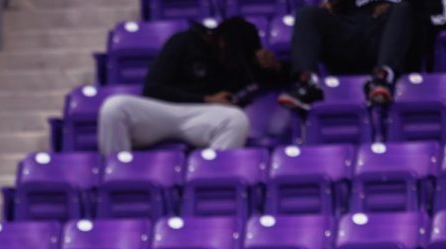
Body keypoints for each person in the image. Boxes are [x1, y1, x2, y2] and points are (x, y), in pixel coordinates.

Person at [97, 18, 280, 155]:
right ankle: (117, 173)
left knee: (237, 120)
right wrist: (206, 99)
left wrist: (275, 67)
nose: (233, 60)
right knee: (114, 106)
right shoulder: (183, 42)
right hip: (163, 111)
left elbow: (281, 79)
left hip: (200, 118)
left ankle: (211, 182)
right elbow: (153, 90)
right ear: (221, 41)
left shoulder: (240, 61)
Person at [279, 0, 418, 110]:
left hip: (382, 36)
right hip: (347, 34)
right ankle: (307, 84)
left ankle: (383, 79)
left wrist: (390, 4)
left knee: (402, 9)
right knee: (307, 13)